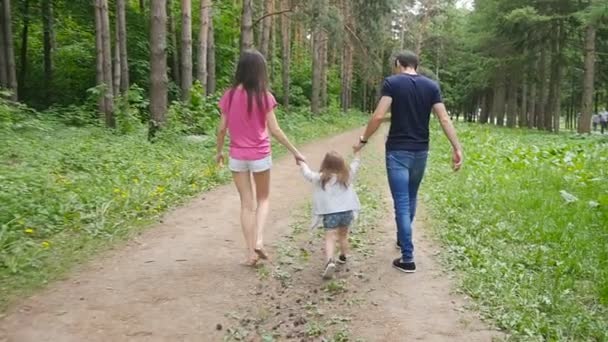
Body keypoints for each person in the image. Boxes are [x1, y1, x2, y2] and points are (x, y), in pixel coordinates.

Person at [353, 51, 463, 274]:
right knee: (411, 197)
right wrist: (456, 147)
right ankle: (403, 239)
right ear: (417, 65)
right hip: (421, 152)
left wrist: (363, 140)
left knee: (402, 202)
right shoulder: (431, 87)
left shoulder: (392, 83)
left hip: (397, 151)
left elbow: (377, 116)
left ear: (398, 64)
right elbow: (443, 117)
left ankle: (408, 257)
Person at [216, 49, 306, 266]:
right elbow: (274, 130)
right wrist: (295, 152)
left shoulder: (228, 96)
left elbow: (221, 129)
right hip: (260, 155)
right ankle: (259, 239)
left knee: (246, 204)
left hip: (237, 156)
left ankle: (250, 254)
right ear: (259, 72)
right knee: (263, 199)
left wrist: (218, 152)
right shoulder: (264, 96)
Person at [298, 151, 361, 279]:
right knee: (343, 236)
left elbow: (308, 174)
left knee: (330, 237)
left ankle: (329, 262)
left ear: (325, 164)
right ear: (342, 164)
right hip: (346, 212)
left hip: (330, 214)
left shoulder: (321, 178)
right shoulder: (346, 176)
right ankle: (343, 256)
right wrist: (357, 153)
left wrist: (301, 162)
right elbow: (355, 165)